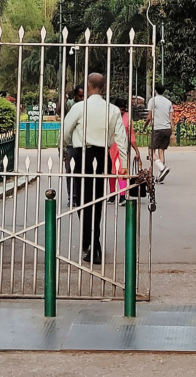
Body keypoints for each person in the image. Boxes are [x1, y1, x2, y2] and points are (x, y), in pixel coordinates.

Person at [62, 73, 128, 264]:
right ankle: (93, 241)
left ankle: (90, 242)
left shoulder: (79, 107)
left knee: (82, 200)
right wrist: (123, 164)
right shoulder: (113, 110)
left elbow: (65, 132)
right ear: (104, 87)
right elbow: (121, 140)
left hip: (81, 155)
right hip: (101, 156)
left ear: (89, 85)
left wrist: (69, 146)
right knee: (97, 200)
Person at [108, 95, 142, 199]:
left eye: (123, 109)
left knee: (122, 171)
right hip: (111, 148)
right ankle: (112, 194)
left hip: (122, 147)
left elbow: (131, 136)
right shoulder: (111, 115)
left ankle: (122, 195)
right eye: (120, 108)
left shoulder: (127, 117)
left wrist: (137, 151)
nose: (121, 111)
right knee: (111, 172)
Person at [146, 83, 174, 183]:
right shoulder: (168, 102)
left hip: (157, 128)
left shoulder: (152, 101)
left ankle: (162, 168)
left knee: (151, 151)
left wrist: (146, 124)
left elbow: (149, 117)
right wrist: (172, 132)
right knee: (161, 151)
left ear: (155, 91)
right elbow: (171, 119)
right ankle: (160, 176)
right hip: (167, 128)